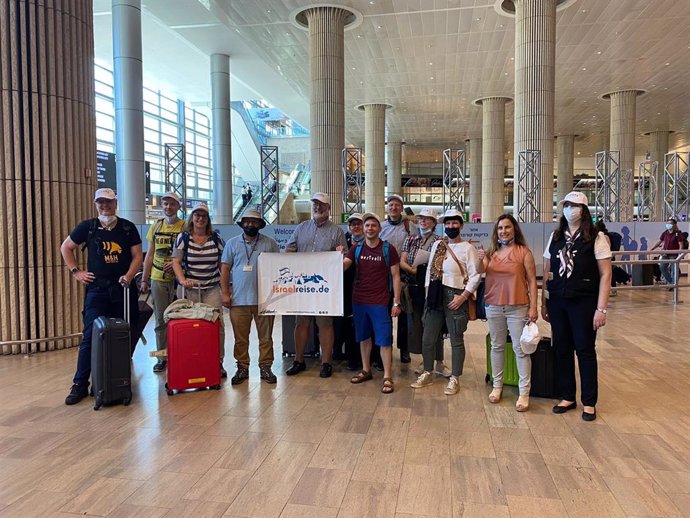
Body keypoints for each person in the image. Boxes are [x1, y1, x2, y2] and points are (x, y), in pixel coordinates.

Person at [60, 188, 143, 405]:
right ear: (96, 204)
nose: (105, 206)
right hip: (97, 291)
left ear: (116, 203)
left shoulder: (127, 228)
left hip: (123, 290)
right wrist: (76, 272)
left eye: (108, 202)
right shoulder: (87, 227)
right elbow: (66, 248)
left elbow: (137, 257)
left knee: (125, 333)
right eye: (101, 203)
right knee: (90, 336)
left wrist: (129, 275)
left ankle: (119, 381)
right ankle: (79, 384)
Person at [542, 191, 612, 422]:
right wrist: (545, 301)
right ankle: (567, 395)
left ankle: (589, 401)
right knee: (561, 349)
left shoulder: (597, 237)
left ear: (583, 210)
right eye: (566, 205)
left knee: (584, 350)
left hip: (584, 301)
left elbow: (605, 274)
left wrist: (601, 309)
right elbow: (547, 270)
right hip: (558, 300)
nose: (569, 209)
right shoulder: (555, 237)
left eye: (574, 205)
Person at [411, 209, 480, 395]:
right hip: (435, 294)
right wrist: (427, 295)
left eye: (454, 223)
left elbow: (475, 276)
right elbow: (429, 272)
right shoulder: (438, 245)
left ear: (461, 225)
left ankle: (455, 377)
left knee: (456, 339)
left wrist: (463, 296)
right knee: (428, 338)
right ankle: (427, 372)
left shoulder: (468, 248)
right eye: (448, 223)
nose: (451, 226)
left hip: (456, 295)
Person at [477, 214, 538, 412]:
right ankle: (497, 386)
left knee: (520, 350)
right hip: (494, 306)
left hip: (518, 306)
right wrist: (478, 260)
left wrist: (534, 307)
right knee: (497, 346)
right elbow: (480, 271)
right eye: (500, 228)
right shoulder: (490, 253)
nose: (503, 231)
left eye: (507, 227)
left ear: (514, 229)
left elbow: (531, 281)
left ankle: (524, 392)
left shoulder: (524, 252)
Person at [284, 192, 347, 378]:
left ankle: (326, 362)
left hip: (324, 288)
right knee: (301, 323)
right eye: (315, 204)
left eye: (321, 205)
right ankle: (299, 360)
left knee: (325, 324)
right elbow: (289, 250)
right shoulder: (301, 228)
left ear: (328, 208)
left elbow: (344, 258)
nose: (317, 207)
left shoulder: (336, 231)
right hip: (303, 286)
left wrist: (341, 253)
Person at [345, 213, 402, 394]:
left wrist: (397, 302)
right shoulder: (356, 249)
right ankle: (366, 369)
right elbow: (343, 265)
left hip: (380, 302)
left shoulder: (388, 249)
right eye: (367, 225)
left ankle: (387, 376)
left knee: (384, 339)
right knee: (363, 337)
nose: (369, 228)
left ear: (379, 229)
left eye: (373, 226)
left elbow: (395, 276)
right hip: (359, 301)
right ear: (363, 228)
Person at [221, 210, 280, 384]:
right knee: (240, 338)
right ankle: (242, 367)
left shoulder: (270, 244)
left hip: (265, 300)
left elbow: (278, 269)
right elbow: (225, 269)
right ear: (242, 223)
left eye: (254, 222)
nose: (250, 225)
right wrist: (225, 293)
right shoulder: (232, 244)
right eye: (247, 221)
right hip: (239, 300)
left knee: (266, 337)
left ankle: (266, 367)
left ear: (260, 224)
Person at [171, 203, 227, 377]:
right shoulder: (183, 238)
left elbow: (222, 265)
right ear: (192, 217)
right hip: (192, 290)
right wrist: (182, 280)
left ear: (208, 219)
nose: (200, 219)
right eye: (197, 215)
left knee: (216, 325)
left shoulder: (216, 239)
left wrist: (225, 290)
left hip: (211, 288)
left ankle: (218, 361)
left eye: (203, 216)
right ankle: (195, 360)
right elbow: (176, 261)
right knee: (193, 327)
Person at [399, 207, 450, 378]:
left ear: (434, 223)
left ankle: (440, 362)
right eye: (421, 218)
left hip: (433, 287)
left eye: (427, 219)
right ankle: (425, 360)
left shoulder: (440, 240)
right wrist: (414, 271)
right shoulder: (411, 239)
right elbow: (403, 261)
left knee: (435, 324)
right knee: (419, 324)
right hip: (414, 286)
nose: (423, 221)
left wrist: (426, 271)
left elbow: (442, 264)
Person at [140, 192, 185, 373]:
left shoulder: (184, 227)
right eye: (165, 204)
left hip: (178, 279)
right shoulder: (156, 226)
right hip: (158, 278)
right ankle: (162, 357)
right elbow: (149, 254)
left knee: (180, 316)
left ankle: (180, 353)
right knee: (160, 319)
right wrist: (144, 278)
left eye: (172, 204)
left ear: (178, 206)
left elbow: (188, 253)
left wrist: (176, 264)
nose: (168, 207)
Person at [380, 194, 417, 363]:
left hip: (403, 276)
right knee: (383, 313)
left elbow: (416, 248)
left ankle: (404, 349)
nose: (393, 207)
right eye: (390, 204)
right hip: (383, 276)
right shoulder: (380, 227)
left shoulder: (410, 227)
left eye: (397, 205)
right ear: (387, 207)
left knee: (404, 316)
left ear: (402, 208)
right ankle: (383, 348)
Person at [342, 213, 365, 371]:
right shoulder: (343, 242)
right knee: (348, 325)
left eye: (359, 224)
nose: (356, 227)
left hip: (365, 289)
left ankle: (369, 358)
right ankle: (352, 358)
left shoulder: (371, 243)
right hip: (346, 290)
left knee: (364, 324)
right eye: (353, 224)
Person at [650, 218, 686, 289]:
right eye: (667, 223)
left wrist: (679, 253)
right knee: (662, 267)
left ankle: (672, 285)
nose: (668, 225)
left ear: (674, 225)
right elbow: (659, 241)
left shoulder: (677, 234)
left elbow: (681, 244)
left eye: (670, 223)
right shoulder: (665, 233)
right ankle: (671, 282)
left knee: (674, 270)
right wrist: (652, 248)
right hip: (665, 254)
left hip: (674, 255)